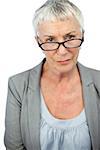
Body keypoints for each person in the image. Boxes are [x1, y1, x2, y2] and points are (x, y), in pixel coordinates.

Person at [4, 0, 100, 149]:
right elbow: (14, 146)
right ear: (38, 41)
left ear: (82, 35)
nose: (62, 51)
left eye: (70, 37)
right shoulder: (18, 85)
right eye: (50, 40)